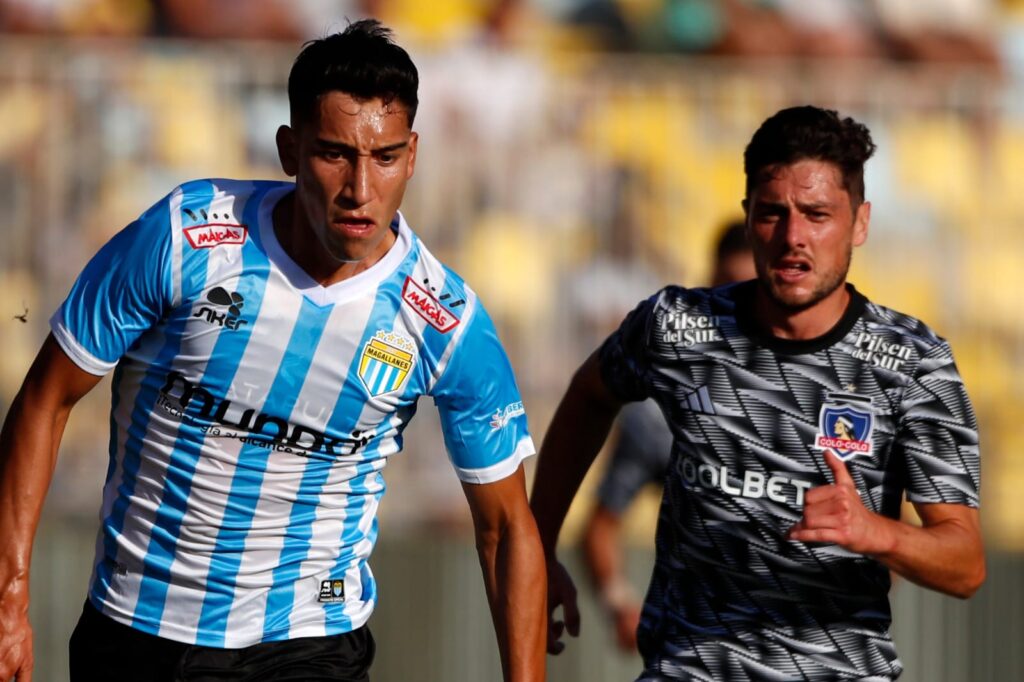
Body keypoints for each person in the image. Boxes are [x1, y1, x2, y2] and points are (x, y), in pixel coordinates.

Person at [0, 20, 546, 682]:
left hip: (309, 641)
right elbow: (45, 399)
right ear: (289, 150)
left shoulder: (445, 322)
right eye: (335, 154)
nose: (360, 189)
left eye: (385, 157)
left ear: (414, 155)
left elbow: (507, 530)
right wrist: (10, 597)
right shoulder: (185, 237)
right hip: (140, 630)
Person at [531, 105, 984, 681]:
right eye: (774, 214)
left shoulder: (913, 363)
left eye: (817, 214)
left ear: (860, 222)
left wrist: (875, 531)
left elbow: (965, 565)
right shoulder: (677, 327)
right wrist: (538, 544)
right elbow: (589, 395)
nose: (793, 238)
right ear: (748, 218)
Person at [581, 220, 754, 653]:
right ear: (709, 283)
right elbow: (601, 525)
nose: (741, 305)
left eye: (753, 290)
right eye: (728, 287)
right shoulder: (658, 413)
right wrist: (619, 601)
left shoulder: (823, 390)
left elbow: (886, 537)